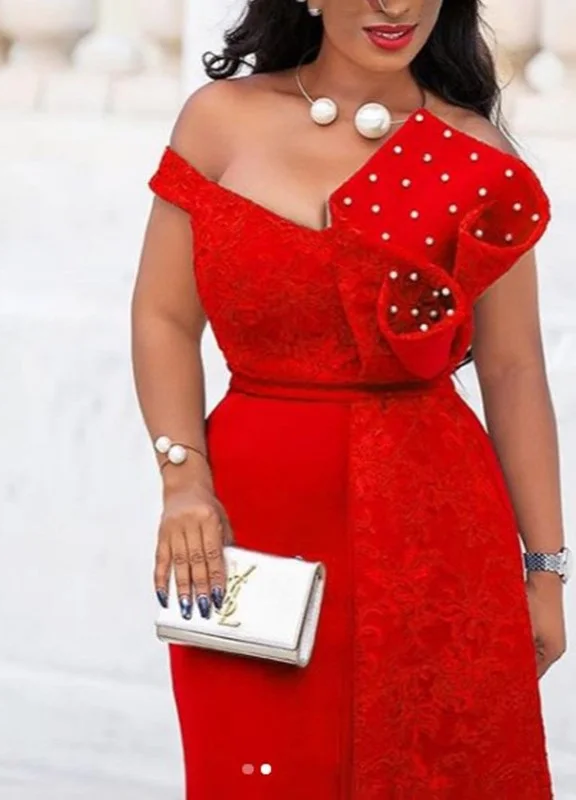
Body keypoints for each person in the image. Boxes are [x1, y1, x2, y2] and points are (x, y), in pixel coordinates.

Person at [130, 0, 570, 796]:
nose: (394, 6)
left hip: (433, 530)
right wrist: (183, 478)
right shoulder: (219, 120)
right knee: (255, 774)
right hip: (248, 523)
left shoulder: (475, 155)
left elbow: (514, 371)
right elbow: (163, 317)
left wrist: (544, 571)